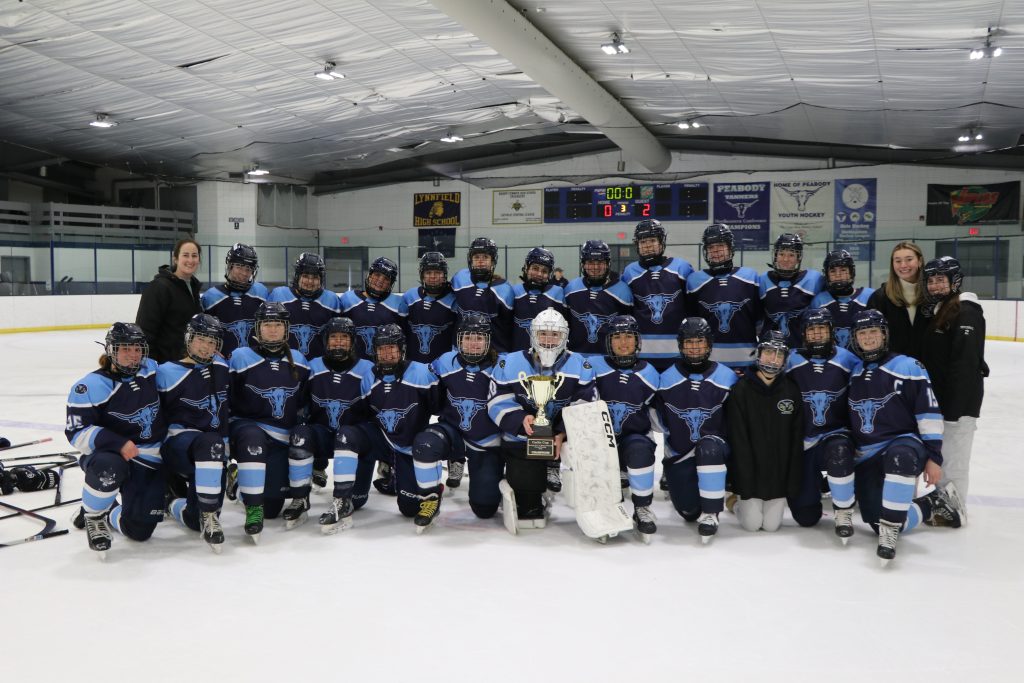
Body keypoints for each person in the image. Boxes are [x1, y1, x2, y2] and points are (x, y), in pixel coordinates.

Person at [847, 309, 966, 564]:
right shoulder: (854, 371)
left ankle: (890, 531)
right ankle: (930, 504)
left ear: (884, 334)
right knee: (875, 522)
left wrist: (934, 456)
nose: (868, 338)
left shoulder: (908, 366)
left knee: (899, 458)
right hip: (868, 454)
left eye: (873, 331)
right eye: (862, 333)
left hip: (904, 443)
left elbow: (928, 413)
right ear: (855, 338)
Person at [488, 309, 596, 529]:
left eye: (555, 334)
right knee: (529, 509)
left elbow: (586, 405)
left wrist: (562, 433)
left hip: (565, 438)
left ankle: (593, 504)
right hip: (525, 437)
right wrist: (521, 420)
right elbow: (496, 401)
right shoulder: (509, 363)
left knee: (590, 455)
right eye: (543, 333)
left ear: (564, 337)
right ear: (533, 335)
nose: (548, 340)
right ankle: (531, 485)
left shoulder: (581, 365)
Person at [66, 323, 167, 558]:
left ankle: (108, 509)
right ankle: (94, 517)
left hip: (149, 457)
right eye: (126, 349)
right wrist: (118, 443)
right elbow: (77, 433)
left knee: (139, 531)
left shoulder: (151, 370)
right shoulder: (89, 386)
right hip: (111, 456)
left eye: (137, 349)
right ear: (111, 350)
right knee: (108, 466)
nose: (133, 355)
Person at [228, 302, 313, 543]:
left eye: (278, 324)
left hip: (281, 437)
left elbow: (304, 403)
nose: (273, 330)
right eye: (267, 325)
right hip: (248, 430)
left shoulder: (299, 360)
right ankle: (252, 508)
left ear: (286, 328)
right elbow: (226, 399)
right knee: (253, 438)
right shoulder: (240, 357)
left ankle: (236, 479)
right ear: (258, 328)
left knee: (273, 508)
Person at [655, 317, 738, 543]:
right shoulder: (666, 379)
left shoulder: (727, 378)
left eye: (699, 341)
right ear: (681, 345)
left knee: (709, 447)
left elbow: (735, 423)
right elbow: (658, 421)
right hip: (681, 455)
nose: (694, 347)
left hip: (715, 450)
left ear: (709, 344)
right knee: (689, 513)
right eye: (689, 342)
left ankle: (711, 513)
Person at [919, 256, 988, 517]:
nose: (935, 285)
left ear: (955, 281)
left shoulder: (966, 311)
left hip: (959, 405)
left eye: (941, 280)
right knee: (945, 456)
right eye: (931, 281)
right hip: (944, 401)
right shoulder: (943, 309)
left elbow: (965, 365)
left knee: (955, 460)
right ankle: (944, 506)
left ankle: (955, 512)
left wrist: (954, 410)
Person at [784, 308, 861, 541]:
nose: (817, 334)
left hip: (836, 434)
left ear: (831, 331)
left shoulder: (847, 360)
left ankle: (843, 510)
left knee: (839, 451)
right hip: (804, 441)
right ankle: (819, 484)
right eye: (812, 330)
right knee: (806, 517)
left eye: (822, 329)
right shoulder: (791, 360)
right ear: (803, 334)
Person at [419, 312, 504, 518]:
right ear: (459, 340)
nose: (473, 343)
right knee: (425, 443)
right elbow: (421, 384)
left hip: (486, 441)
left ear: (488, 340)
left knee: (485, 509)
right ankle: (430, 497)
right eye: (467, 337)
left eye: (479, 338)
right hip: (453, 433)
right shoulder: (445, 361)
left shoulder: (502, 366)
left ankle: (499, 479)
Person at [159, 314, 230, 553]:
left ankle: (172, 502)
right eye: (201, 340)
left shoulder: (221, 367)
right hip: (179, 444)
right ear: (189, 339)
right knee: (211, 442)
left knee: (194, 520)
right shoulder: (166, 372)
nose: (206, 347)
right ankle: (209, 515)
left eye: (212, 342)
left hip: (212, 450)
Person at [366, 323, 446, 531]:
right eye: (382, 348)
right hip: (389, 442)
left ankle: (433, 490)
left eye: (392, 348)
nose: (387, 353)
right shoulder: (368, 377)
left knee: (409, 507)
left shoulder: (420, 373)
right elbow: (365, 414)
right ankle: (389, 473)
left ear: (401, 349)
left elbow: (439, 408)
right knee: (409, 508)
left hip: (415, 445)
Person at [306, 317, 380, 534]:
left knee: (358, 500)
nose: (338, 342)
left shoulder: (368, 369)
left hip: (355, 441)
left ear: (352, 341)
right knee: (299, 435)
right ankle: (300, 496)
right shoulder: (312, 367)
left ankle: (346, 499)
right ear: (326, 341)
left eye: (344, 337)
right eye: (334, 337)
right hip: (322, 435)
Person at [589, 315, 660, 538]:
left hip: (634, 437)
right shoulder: (594, 368)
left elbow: (656, 416)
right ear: (608, 341)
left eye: (629, 336)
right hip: (600, 439)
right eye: (617, 337)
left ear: (637, 340)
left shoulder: (649, 373)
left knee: (640, 449)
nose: (623, 342)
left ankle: (642, 507)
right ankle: (602, 506)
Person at [726, 331, 803, 533]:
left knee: (771, 526)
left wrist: (790, 482)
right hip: (750, 477)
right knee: (752, 525)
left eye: (779, 354)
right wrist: (742, 484)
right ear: (759, 353)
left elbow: (795, 440)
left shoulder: (791, 390)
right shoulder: (740, 390)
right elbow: (738, 441)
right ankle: (735, 502)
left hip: (777, 477)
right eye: (769, 352)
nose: (773, 359)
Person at [686, 223, 761, 372]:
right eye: (711, 247)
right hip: (709, 363)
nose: (715, 251)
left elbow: (760, 321)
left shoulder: (750, 277)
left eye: (720, 246)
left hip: (747, 361)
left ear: (730, 248)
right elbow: (692, 323)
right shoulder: (694, 281)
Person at [622, 219, 693, 372]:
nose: (648, 245)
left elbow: (693, 309)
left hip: (678, 354)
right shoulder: (629, 272)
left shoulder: (682, 268)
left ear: (661, 242)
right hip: (641, 355)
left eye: (652, 240)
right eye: (643, 241)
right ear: (637, 244)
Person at [135, 238, 203, 363]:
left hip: (189, 363)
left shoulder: (194, 288)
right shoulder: (159, 287)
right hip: (165, 365)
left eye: (194, 255)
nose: (190, 260)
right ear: (175, 259)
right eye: (185, 255)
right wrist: (152, 366)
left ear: (199, 259)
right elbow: (145, 331)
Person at [564, 240, 634, 357]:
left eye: (600, 262)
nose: (595, 267)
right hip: (575, 359)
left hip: (610, 359)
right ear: (583, 264)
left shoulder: (623, 291)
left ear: (607, 264)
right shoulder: (571, 288)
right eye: (590, 262)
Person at [201, 243, 269, 358]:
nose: (244, 273)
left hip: (256, 361)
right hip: (224, 362)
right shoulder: (211, 297)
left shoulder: (261, 293)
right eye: (239, 267)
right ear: (229, 266)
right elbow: (203, 332)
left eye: (248, 269)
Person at [269, 252, 340, 359]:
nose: (310, 281)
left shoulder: (331, 300)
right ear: (297, 276)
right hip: (285, 362)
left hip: (318, 365)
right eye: (305, 276)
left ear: (321, 279)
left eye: (315, 277)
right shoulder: (278, 295)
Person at [759, 233, 824, 349]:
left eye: (791, 255)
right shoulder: (763, 280)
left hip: (802, 350)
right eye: (781, 254)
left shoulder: (814, 279)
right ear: (775, 255)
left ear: (799, 258)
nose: (785, 259)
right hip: (771, 351)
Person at [451, 237, 514, 353]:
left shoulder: (504, 289)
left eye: (485, 257)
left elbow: (508, 326)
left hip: (493, 353)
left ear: (493, 261)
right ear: (470, 260)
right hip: (462, 350)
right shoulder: (460, 278)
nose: (480, 261)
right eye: (476, 257)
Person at [867, 241, 928, 359]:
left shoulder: (932, 295)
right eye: (898, 261)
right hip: (893, 367)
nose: (903, 265)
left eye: (909, 259)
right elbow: (871, 338)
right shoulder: (880, 298)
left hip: (929, 367)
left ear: (920, 261)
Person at [340, 256, 409, 358]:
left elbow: (404, 339)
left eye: (386, 278)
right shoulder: (348, 299)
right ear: (370, 275)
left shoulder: (399, 304)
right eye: (377, 275)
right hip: (354, 364)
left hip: (385, 363)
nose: (380, 280)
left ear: (390, 284)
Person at [809, 249, 875, 351]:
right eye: (833, 271)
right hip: (832, 359)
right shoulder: (819, 301)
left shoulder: (869, 296)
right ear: (827, 275)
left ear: (851, 272)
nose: (838, 275)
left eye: (843, 270)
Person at [404, 251, 458, 364]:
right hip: (413, 366)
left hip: (443, 366)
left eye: (437, 272)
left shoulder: (454, 300)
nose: (433, 276)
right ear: (422, 275)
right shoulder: (409, 297)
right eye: (428, 272)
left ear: (444, 275)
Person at [511, 247, 566, 351]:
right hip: (518, 354)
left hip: (548, 354)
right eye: (535, 268)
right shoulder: (514, 292)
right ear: (526, 268)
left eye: (544, 271)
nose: (539, 274)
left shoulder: (557, 293)